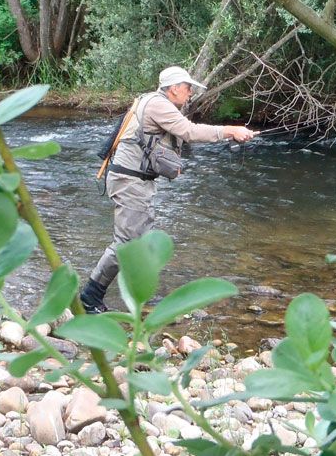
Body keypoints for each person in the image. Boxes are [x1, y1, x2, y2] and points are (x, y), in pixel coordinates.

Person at [81, 66, 255, 313]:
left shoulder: (150, 100)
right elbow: (190, 131)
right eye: (187, 87)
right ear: (174, 89)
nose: (190, 92)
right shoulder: (158, 105)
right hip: (130, 182)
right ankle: (89, 297)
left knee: (142, 242)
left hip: (135, 181)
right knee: (126, 243)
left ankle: (136, 295)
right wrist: (230, 131)